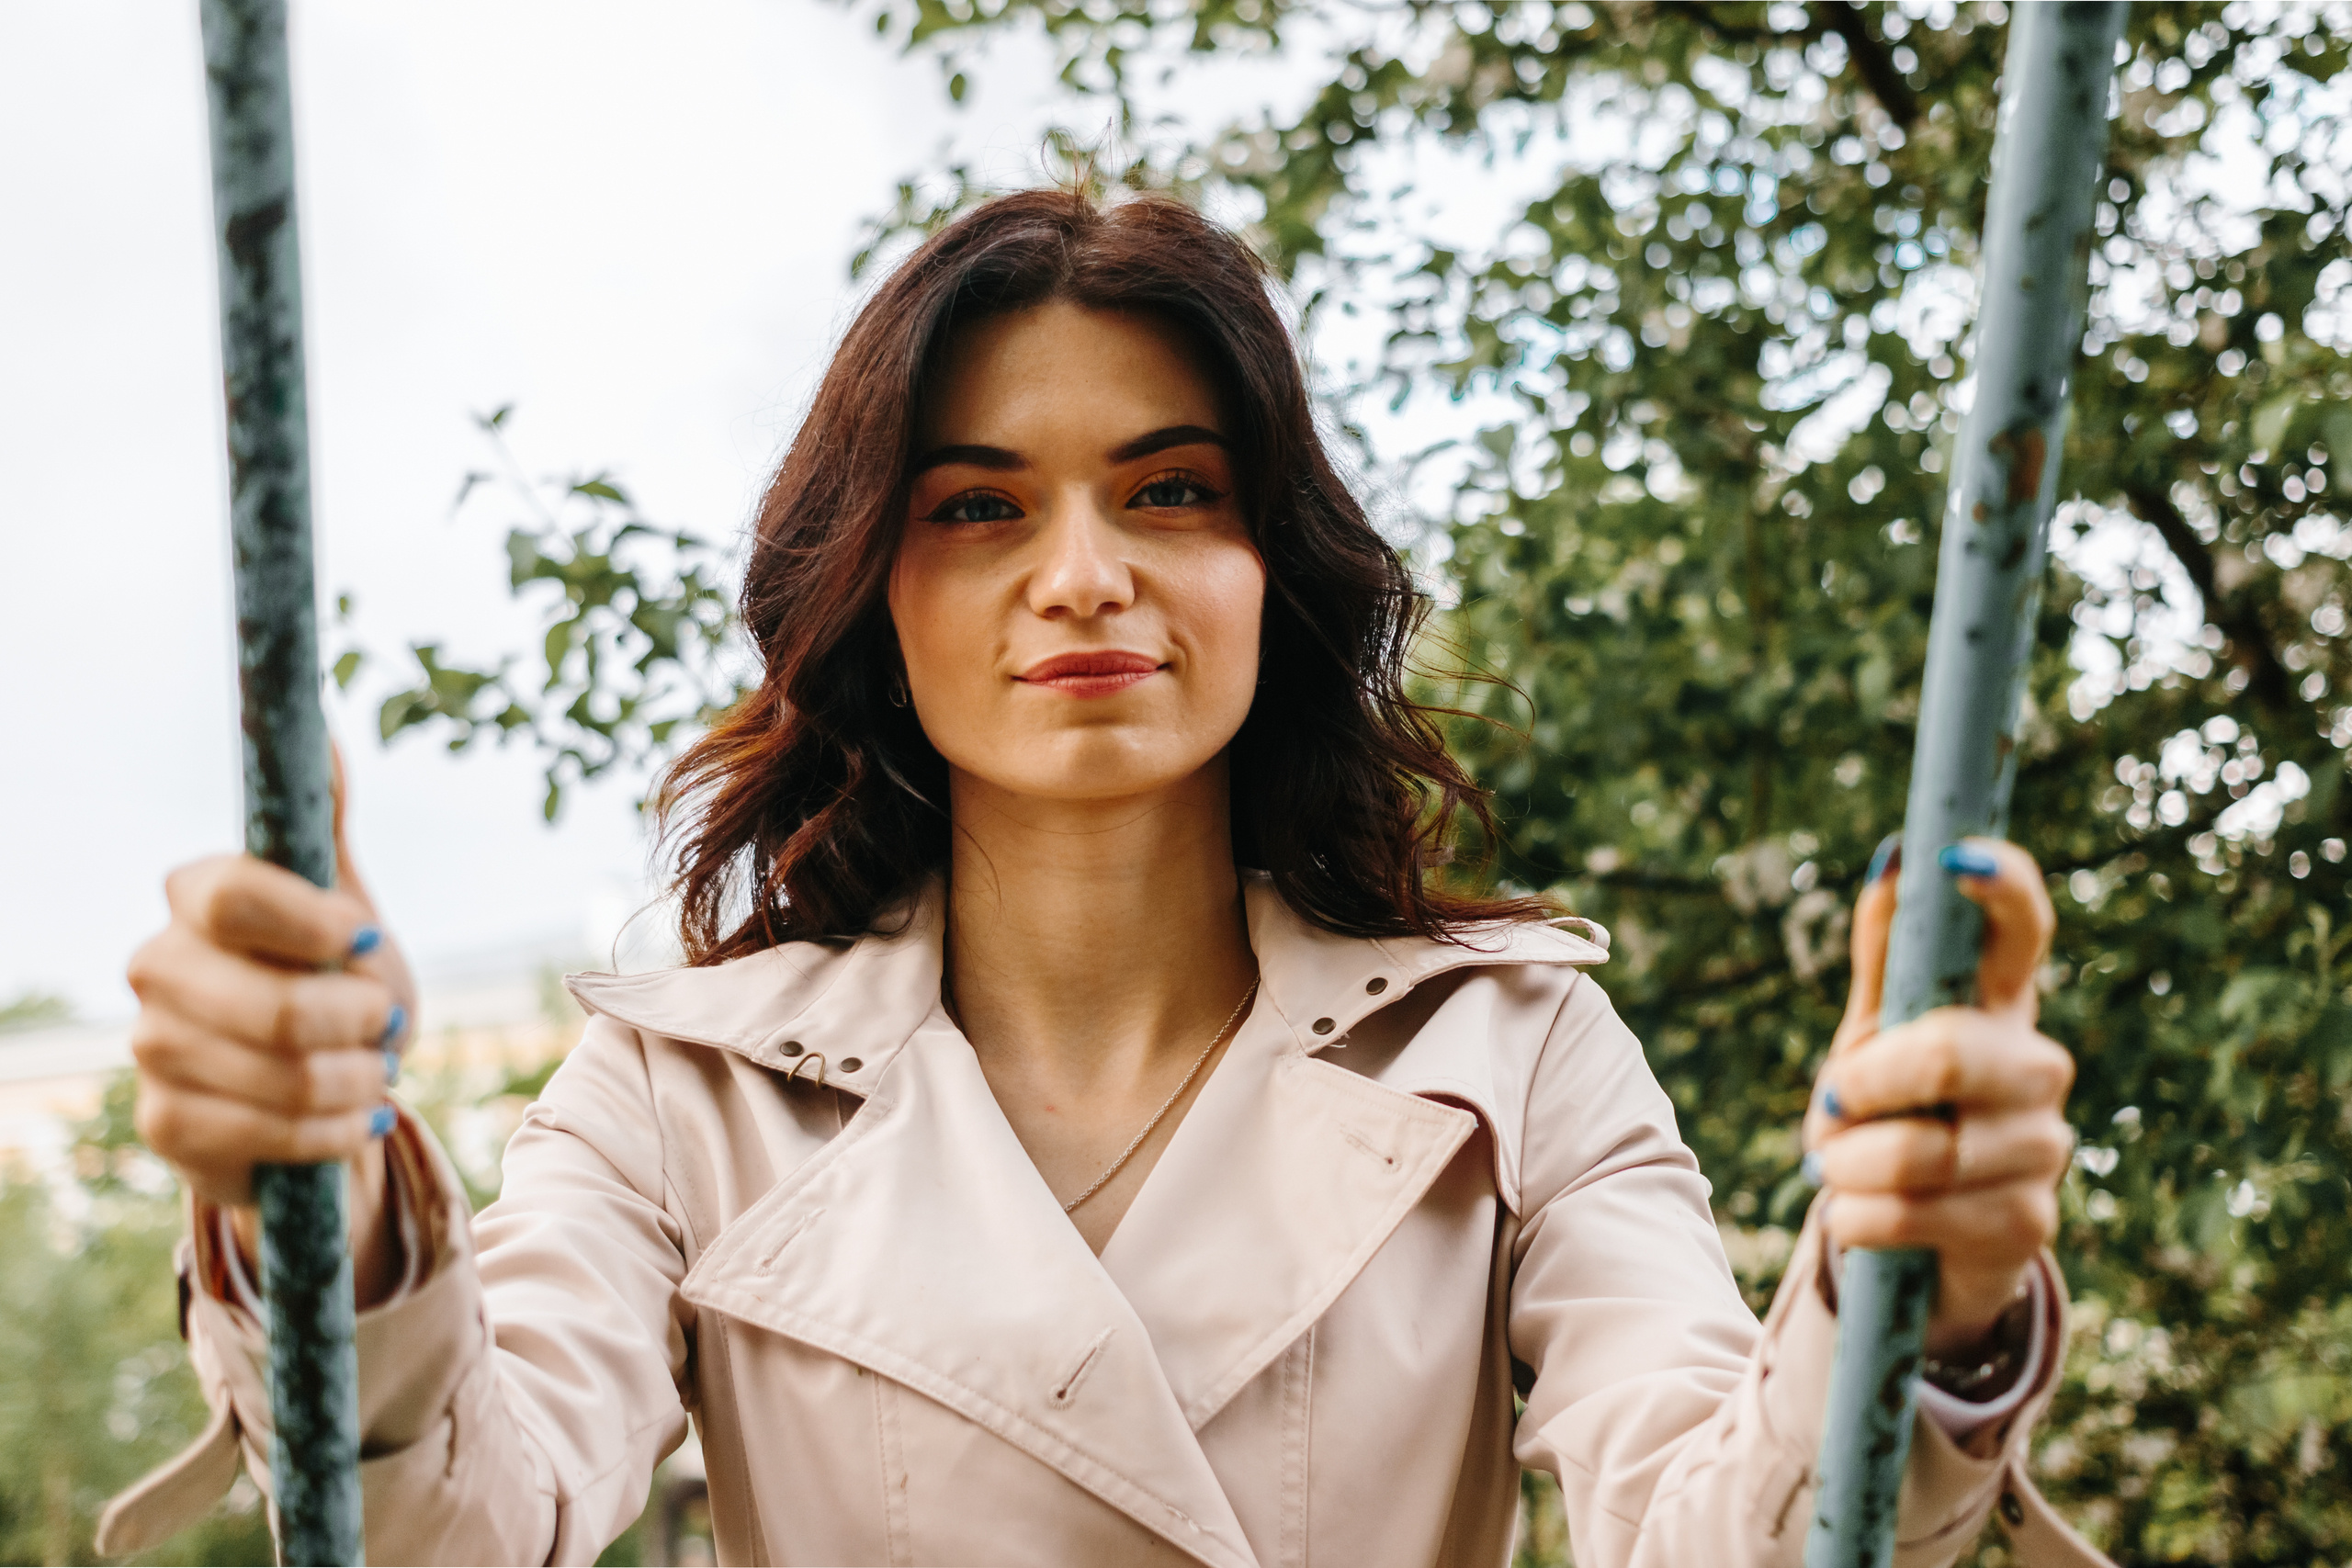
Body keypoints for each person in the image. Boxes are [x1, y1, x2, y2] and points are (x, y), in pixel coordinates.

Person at [100, 187, 2106, 1567]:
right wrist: (322, 1189)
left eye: (1169, 489)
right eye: (979, 506)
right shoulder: (671, 1092)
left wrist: (1913, 1292)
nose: (1083, 574)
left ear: (1267, 571)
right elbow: (459, 1520)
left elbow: (1725, 1522)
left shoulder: (1512, 1052)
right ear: (877, 591)